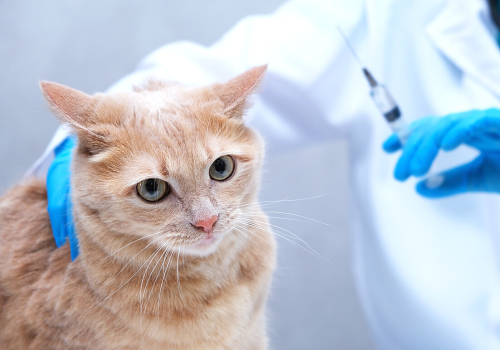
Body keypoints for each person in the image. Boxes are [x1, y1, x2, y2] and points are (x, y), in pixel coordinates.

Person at [29, 0, 500, 348]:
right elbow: (204, 80)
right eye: (153, 188)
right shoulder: (392, 16)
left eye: (220, 170)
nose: (206, 218)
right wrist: (87, 144)